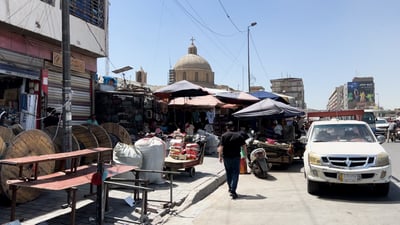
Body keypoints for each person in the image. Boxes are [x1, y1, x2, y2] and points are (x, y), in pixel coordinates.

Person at [217, 121, 247, 199]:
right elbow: (244, 146)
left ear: (227, 128)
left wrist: (219, 156)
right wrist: (245, 156)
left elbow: (221, 147)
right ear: (233, 128)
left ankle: (230, 188)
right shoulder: (239, 135)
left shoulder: (224, 136)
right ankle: (233, 190)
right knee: (235, 173)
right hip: (236, 157)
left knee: (228, 172)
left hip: (226, 157)